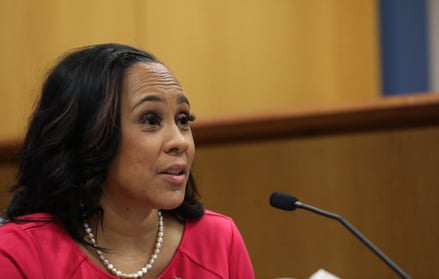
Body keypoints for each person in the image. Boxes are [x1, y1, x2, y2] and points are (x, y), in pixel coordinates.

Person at [0, 43, 255, 279]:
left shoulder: (219, 240)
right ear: (90, 136)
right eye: (150, 120)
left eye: (183, 120)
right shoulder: (18, 254)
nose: (180, 142)